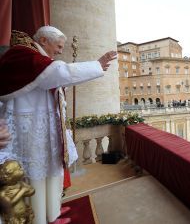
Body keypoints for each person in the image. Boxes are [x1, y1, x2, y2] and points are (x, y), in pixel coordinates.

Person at [0, 27, 117, 224]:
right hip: (30, 131)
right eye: (59, 46)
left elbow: (54, 79)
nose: (61, 51)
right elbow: (59, 72)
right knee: (35, 174)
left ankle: (51, 213)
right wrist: (96, 66)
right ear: (44, 40)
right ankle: (37, 219)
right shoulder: (24, 54)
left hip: (45, 130)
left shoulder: (39, 59)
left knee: (50, 171)